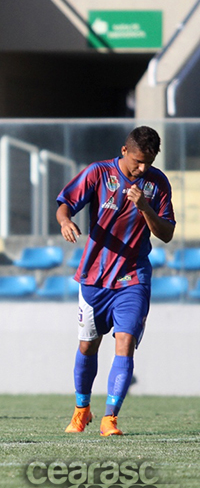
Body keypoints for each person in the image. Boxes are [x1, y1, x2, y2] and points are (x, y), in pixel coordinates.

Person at [57, 126, 174, 436]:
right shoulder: (99, 173)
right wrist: (65, 220)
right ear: (124, 151)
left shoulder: (157, 184)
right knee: (87, 346)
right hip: (95, 276)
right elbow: (65, 202)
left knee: (125, 342)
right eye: (138, 161)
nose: (143, 168)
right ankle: (82, 410)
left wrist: (145, 207)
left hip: (133, 277)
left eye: (148, 162)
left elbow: (166, 233)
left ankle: (110, 419)